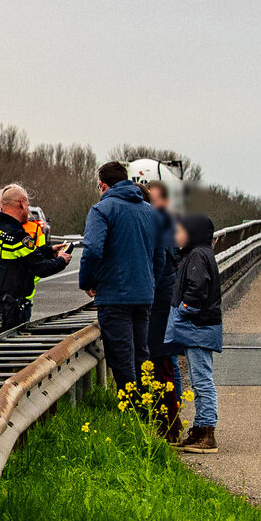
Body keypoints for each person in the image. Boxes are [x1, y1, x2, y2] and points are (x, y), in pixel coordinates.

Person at [80, 161, 164, 392]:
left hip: (115, 297)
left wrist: (89, 282)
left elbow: (93, 250)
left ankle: (131, 415)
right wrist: (149, 283)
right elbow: (160, 258)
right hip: (144, 296)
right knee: (141, 356)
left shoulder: (102, 210)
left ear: (103, 185)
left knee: (122, 358)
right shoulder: (150, 213)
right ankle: (145, 414)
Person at [0, 184, 69, 345]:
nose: (28, 210)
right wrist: (62, 260)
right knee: (3, 359)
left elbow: (10, 258)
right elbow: (41, 267)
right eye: (28, 206)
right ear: (22, 204)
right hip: (3, 311)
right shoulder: (17, 236)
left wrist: (48, 250)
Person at [166, 214, 222, 453]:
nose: (176, 236)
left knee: (201, 381)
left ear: (193, 233)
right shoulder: (198, 253)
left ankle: (206, 433)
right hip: (200, 327)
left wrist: (183, 311)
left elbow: (197, 288)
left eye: (180, 232)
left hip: (198, 327)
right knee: (200, 380)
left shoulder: (197, 255)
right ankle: (200, 429)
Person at [142, 180, 183, 439]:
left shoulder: (163, 225)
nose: (148, 204)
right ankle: (173, 417)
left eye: (151, 200)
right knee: (169, 362)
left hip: (163, 304)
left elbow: (165, 265)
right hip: (165, 302)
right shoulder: (165, 223)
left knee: (166, 363)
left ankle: (171, 421)